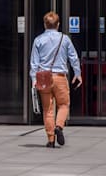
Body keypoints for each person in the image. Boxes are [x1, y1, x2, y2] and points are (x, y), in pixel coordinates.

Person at [30, 11, 82, 148]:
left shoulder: (38, 40)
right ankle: (59, 126)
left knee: (47, 109)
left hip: (43, 77)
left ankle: (51, 139)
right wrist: (77, 73)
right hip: (60, 77)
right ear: (58, 24)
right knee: (64, 104)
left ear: (44, 25)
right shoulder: (65, 39)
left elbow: (34, 63)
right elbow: (73, 57)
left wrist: (33, 79)